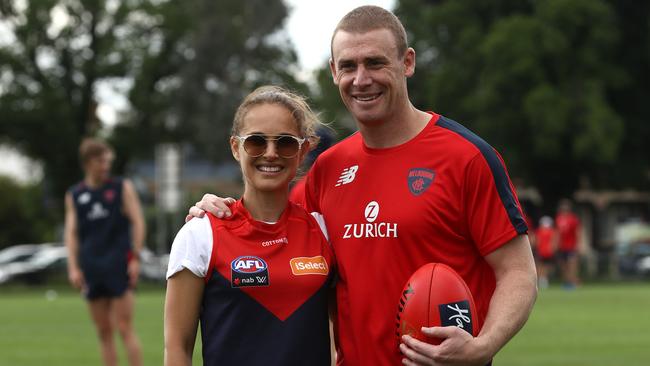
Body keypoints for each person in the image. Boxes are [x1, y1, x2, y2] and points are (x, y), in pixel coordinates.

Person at [188, 6, 537, 366]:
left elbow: (518, 272)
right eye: (349, 66)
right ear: (333, 71)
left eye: (375, 62)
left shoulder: (467, 157)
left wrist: (482, 347)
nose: (361, 79)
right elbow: (269, 230)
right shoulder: (327, 168)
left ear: (407, 62)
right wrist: (220, 211)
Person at [164, 86, 335, 366]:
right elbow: (176, 350)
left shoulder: (324, 230)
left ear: (303, 151)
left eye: (285, 143)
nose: (270, 153)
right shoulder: (200, 234)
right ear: (235, 147)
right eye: (256, 141)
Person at [64, 138, 144, 366]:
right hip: (92, 267)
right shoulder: (74, 195)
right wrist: (73, 267)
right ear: (88, 162)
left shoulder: (121, 187)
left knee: (124, 327)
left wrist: (135, 258)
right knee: (104, 331)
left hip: (119, 264)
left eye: (108, 160)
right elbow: (71, 233)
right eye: (101, 161)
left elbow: (138, 221)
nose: (106, 165)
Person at [555, 199, 581, 289]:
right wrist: (555, 245)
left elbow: (577, 232)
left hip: (571, 247)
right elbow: (557, 233)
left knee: (572, 265)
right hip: (562, 247)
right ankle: (567, 282)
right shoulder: (558, 219)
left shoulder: (573, 219)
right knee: (563, 266)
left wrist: (578, 245)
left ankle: (573, 282)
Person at [534, 216, 557, 289]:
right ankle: (543, 280)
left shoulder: (540, 231)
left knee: (543, 266)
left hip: (544, 251)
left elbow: (537, 241)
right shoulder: (550, 231)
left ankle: (543, 280)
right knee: (543, 266)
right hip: (544, 251)